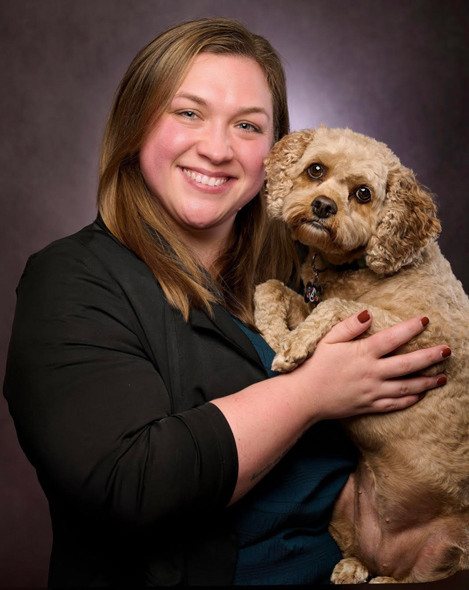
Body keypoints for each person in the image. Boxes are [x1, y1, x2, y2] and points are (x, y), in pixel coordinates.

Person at [4, 17, 449, 587]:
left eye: (247, 125)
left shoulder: (310, 268)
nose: (216, 149)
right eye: (187, 112)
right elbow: (130, 486)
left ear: (278, 151)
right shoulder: (71, 278)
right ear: (137, 123)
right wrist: (311, 393)